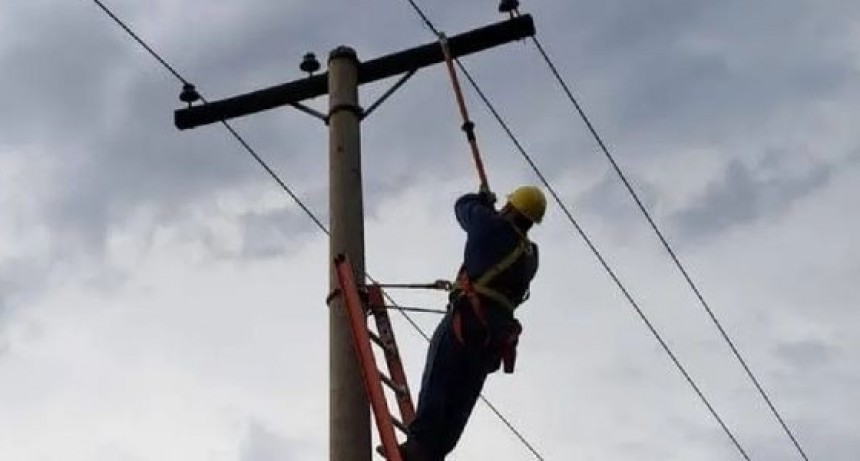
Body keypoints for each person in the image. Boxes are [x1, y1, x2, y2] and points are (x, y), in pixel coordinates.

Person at [400, 185, 547, 461]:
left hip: (467, 320)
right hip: (493, 337)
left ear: (511, 208)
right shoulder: (531, 256)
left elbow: (462, 207)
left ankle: (419, 446)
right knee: (463, 396)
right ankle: (436, 453)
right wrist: (492, 212)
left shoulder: (490, 226)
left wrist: (481, 201)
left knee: (439, 379)